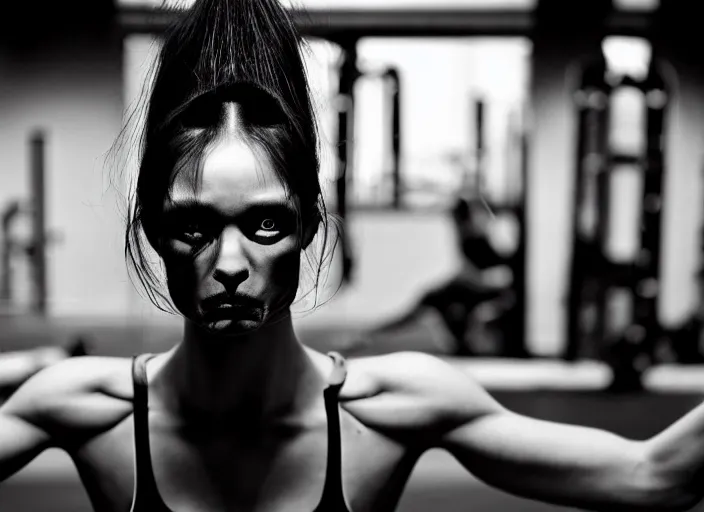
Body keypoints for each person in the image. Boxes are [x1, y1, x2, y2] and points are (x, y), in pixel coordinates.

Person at [1, 1, 704, 511]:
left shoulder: (397, 406)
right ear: (152, 230)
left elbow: (653, 474)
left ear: (309, 224)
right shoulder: (83, 408)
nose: (230, 263)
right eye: (194, 227)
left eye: (267, 224)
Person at [353, 196, 516, 357]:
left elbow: (500, 274)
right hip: (471, 287)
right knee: (431, 301)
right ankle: (372, 333)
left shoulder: (486, 237)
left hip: (485, 288)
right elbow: (472, 271)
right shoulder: (468, 238)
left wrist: (481, 279)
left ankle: (372, 333)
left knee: (436, 301)